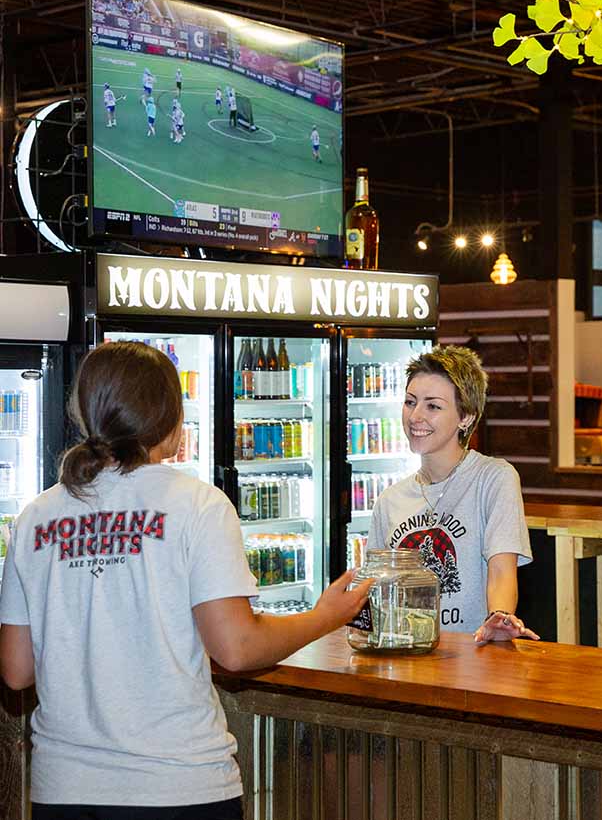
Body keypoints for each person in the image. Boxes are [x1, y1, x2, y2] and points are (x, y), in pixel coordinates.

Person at [0, 341, 371, 819]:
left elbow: (16, 670)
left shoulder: (36, 516)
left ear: (84, 413)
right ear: (172, 420)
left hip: (64, 789)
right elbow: (236, 648)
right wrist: (324, 617)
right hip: (178, 783)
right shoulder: (198, 504)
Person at [367, 345, 540, 644]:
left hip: (471, 657)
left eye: (433, 406)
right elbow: (375, 588)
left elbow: (502, 569)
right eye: (410, 402)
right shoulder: (389, 500)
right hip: (406, 656)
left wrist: (499, 618)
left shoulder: (493, 478)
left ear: (466, 417)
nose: (415, 416)